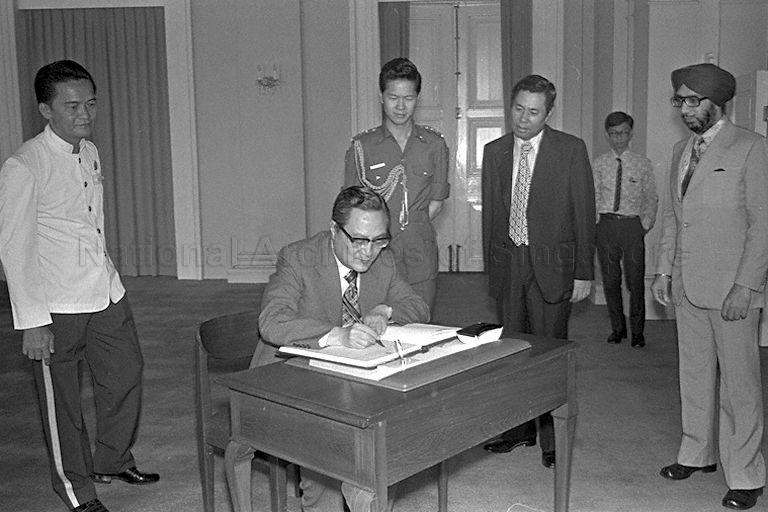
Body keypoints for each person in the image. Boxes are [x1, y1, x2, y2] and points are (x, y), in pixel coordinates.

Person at [0, 60, 158, 512]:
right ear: (45, 110)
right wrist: (32, 322)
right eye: (71, 106)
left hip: (103, 290)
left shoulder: (88, 150)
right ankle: (76, 490)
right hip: (55, 304)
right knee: (62, 405)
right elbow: (14, 247)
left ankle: (110, 459)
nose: (84, 114)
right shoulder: (24, 165)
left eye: (90, 103)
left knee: (126, 373)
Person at [254, 185, 430, 512]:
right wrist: (338, 335)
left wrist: (383, 311)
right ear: (334, 229)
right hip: (289, 382)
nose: (368, 251)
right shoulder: (298, 257)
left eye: (379, 240)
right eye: (359, 240)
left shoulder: (385, 259)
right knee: (326, 471)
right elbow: (272, 322)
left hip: (351, 386)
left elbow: (417, 306)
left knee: (377, 466)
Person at [652, 63, 767, 511]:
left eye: (692, 100)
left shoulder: (752, 148)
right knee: (694, 375)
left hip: (732, 290)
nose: (684, 109)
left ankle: (747, 474)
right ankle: (696, 453)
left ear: (718, 102)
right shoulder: (682, 149)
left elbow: (762, 226)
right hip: (686, 285)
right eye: (679, 100)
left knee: (740, 386)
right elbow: (673, 220)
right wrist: (663, 271)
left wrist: (747, 285)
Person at [481, 74, 596, 468]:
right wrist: (492, 271)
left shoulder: (570, 150)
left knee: (548, 353)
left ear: (549, 112)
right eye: (518, 109)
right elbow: (492, 218)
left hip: (554, 268)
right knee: (511, 351)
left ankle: (551, 439)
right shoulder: (494, 151)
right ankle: (518, 431)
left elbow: (584, 213)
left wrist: (584, 272)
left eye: (533, 111)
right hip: (510, 264)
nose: (524, 119)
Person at [344, 57, 450, 311]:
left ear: (417, 98)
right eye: (393, 98)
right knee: (374, 332)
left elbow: (435, 204)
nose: (401, 107)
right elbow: (350, 209)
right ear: (381, 97)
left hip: (419, 257)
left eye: (409, 98)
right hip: (375, 258)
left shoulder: (435, 145)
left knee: (419, 326)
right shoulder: (362, 148)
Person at [593, 111, 658, 348]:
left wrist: (645, 224)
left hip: (632, 226)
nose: (618, 138)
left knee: (635, 280)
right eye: (613, 134)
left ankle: (638, 331)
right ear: (607, 135)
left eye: (622, 133)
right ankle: (617, 328)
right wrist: (595, 224)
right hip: (606, 226)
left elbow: (651, 197)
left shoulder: (642, 164)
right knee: (610, 281)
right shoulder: (599, 164)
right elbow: (593, 195)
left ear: (630, 133)